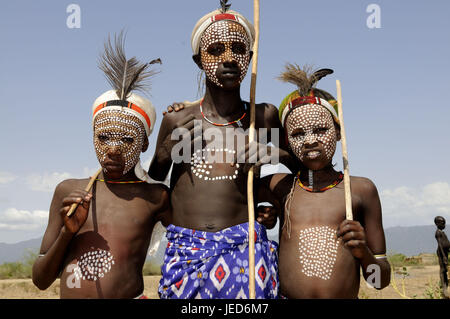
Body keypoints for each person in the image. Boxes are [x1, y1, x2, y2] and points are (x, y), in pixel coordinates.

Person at [150, 1, 289, 299]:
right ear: (199, 60)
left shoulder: (263, 117)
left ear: (250, 58)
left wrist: (273, 155)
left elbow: (301, 169)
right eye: (215, 51)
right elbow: (154, 183)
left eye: (238, 49)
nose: (229, 59)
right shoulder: (178, 119)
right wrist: (164, 153)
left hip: (244, 250)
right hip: (187, 252)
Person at [32, 33, 170, 299]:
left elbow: (193, 241)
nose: (113, 149)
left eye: (127, 139)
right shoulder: (69, 191)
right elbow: (40, 280)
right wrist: (66, 232)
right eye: (103, 137)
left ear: (144, 145)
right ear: (92, 137)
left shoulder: (155, 197)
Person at [260, 64, 391, 298]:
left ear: (339, 132)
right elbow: (232, 199)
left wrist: (364, 253)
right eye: (298, 134)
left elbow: (379, 281)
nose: (310, 141)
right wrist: (263, 217)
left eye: (320, 130)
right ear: (288, 142)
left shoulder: (360, 190)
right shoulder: (280, 186)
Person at [435, 216, 449, 298]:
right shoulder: (438, 233)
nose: (444, 225)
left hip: (445, 252)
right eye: (443, 223)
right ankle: (443, 287)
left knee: (445, 269)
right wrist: (443, 256)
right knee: (443, 270)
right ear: (437, 223)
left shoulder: (442, 232)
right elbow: (440, 245)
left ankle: (446, 284)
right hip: (441, 253)